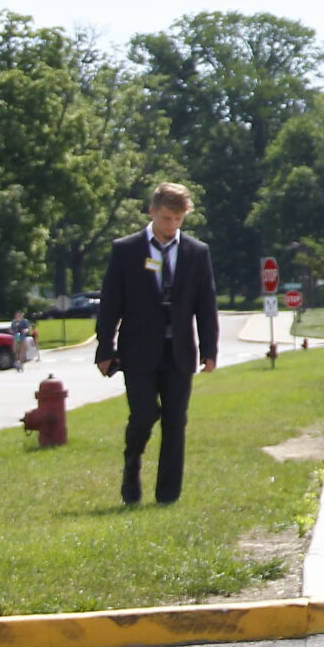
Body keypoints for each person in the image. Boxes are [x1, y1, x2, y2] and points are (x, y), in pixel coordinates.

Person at [96, 182, 220, 506]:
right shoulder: (126, 250)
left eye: (178, 220)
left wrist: (209, 350)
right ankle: (131, 465)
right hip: (137, 351)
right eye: (166, 218)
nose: (171, 226)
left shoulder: (196, 252)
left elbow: (206, 306)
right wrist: (105, 349)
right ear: (152, 212)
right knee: (144, 414)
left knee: (175, 422)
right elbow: (110, 303)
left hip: (178, 352)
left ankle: (167, 494)